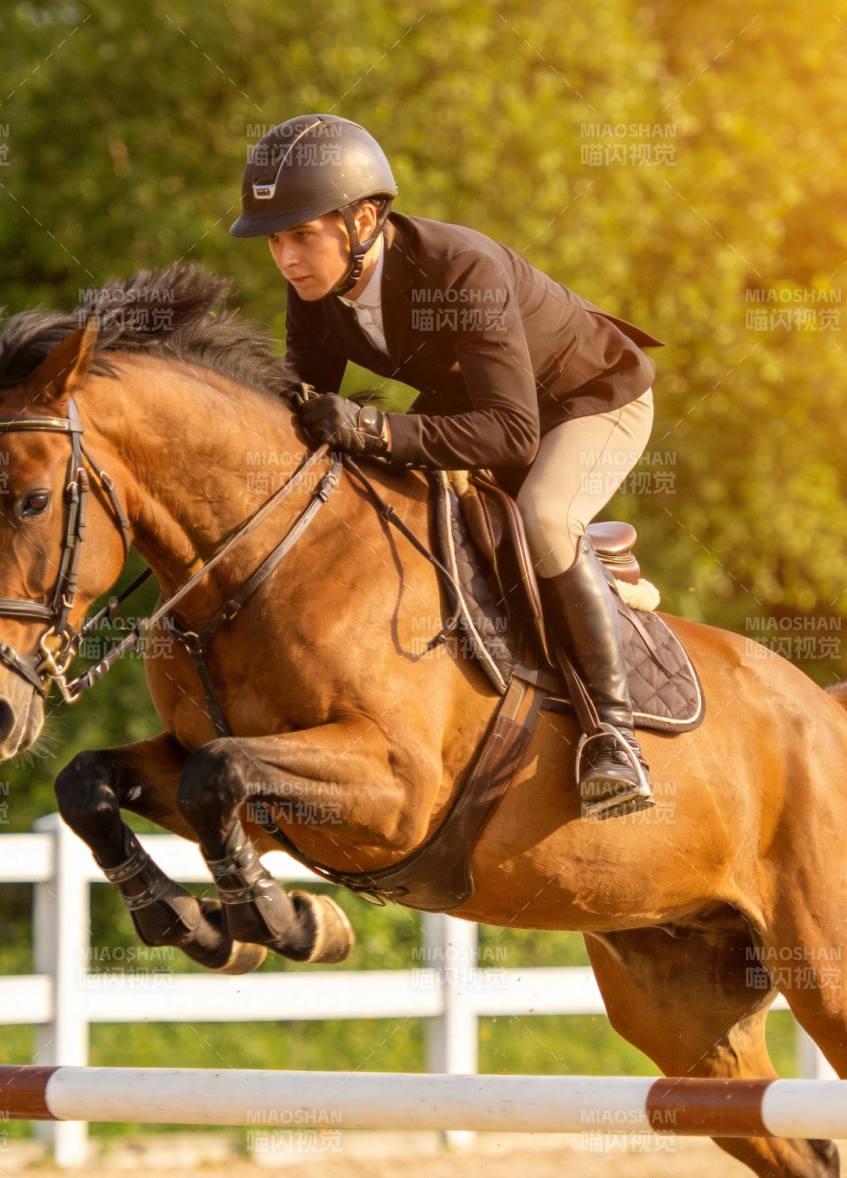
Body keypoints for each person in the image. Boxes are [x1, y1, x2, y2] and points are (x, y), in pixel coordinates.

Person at [230, 114, 661, 820]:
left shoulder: (461, 268)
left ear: (362, 219)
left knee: (545, 518)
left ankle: (614, 738)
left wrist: (373, 427)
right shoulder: (316, 293)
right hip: (481, 409)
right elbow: (302, 411)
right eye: (275, 241)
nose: (287, 258)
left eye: (302, 234)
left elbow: (514, 434)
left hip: (587, 400)